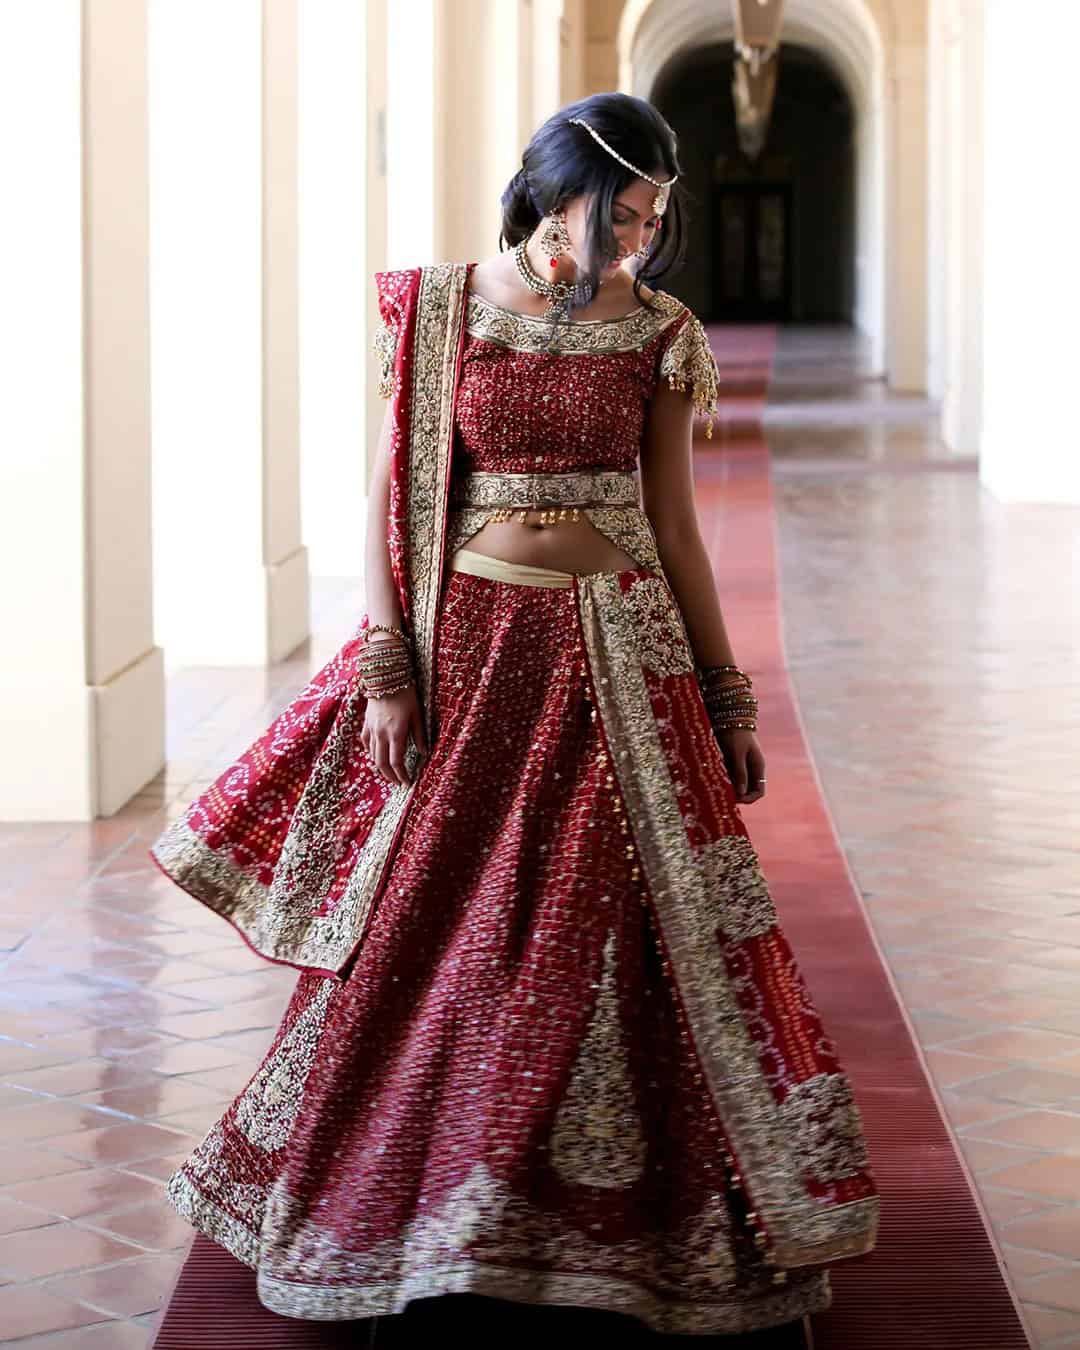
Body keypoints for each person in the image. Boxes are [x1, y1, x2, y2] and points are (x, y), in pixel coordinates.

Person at [150, 91, 878, 1339]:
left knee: (605, 933)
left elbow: (679, 528)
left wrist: (724, 689)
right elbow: (389, 493)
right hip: (473, 658)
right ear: (555, 192)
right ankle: (432, 1207)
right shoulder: (433, 309)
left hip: (619, 658)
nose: (640, 241)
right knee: (450, 927)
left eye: (656, 219)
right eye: (623, 215)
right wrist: (388, 669)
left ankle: (614, 1224)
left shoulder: (658, 330)